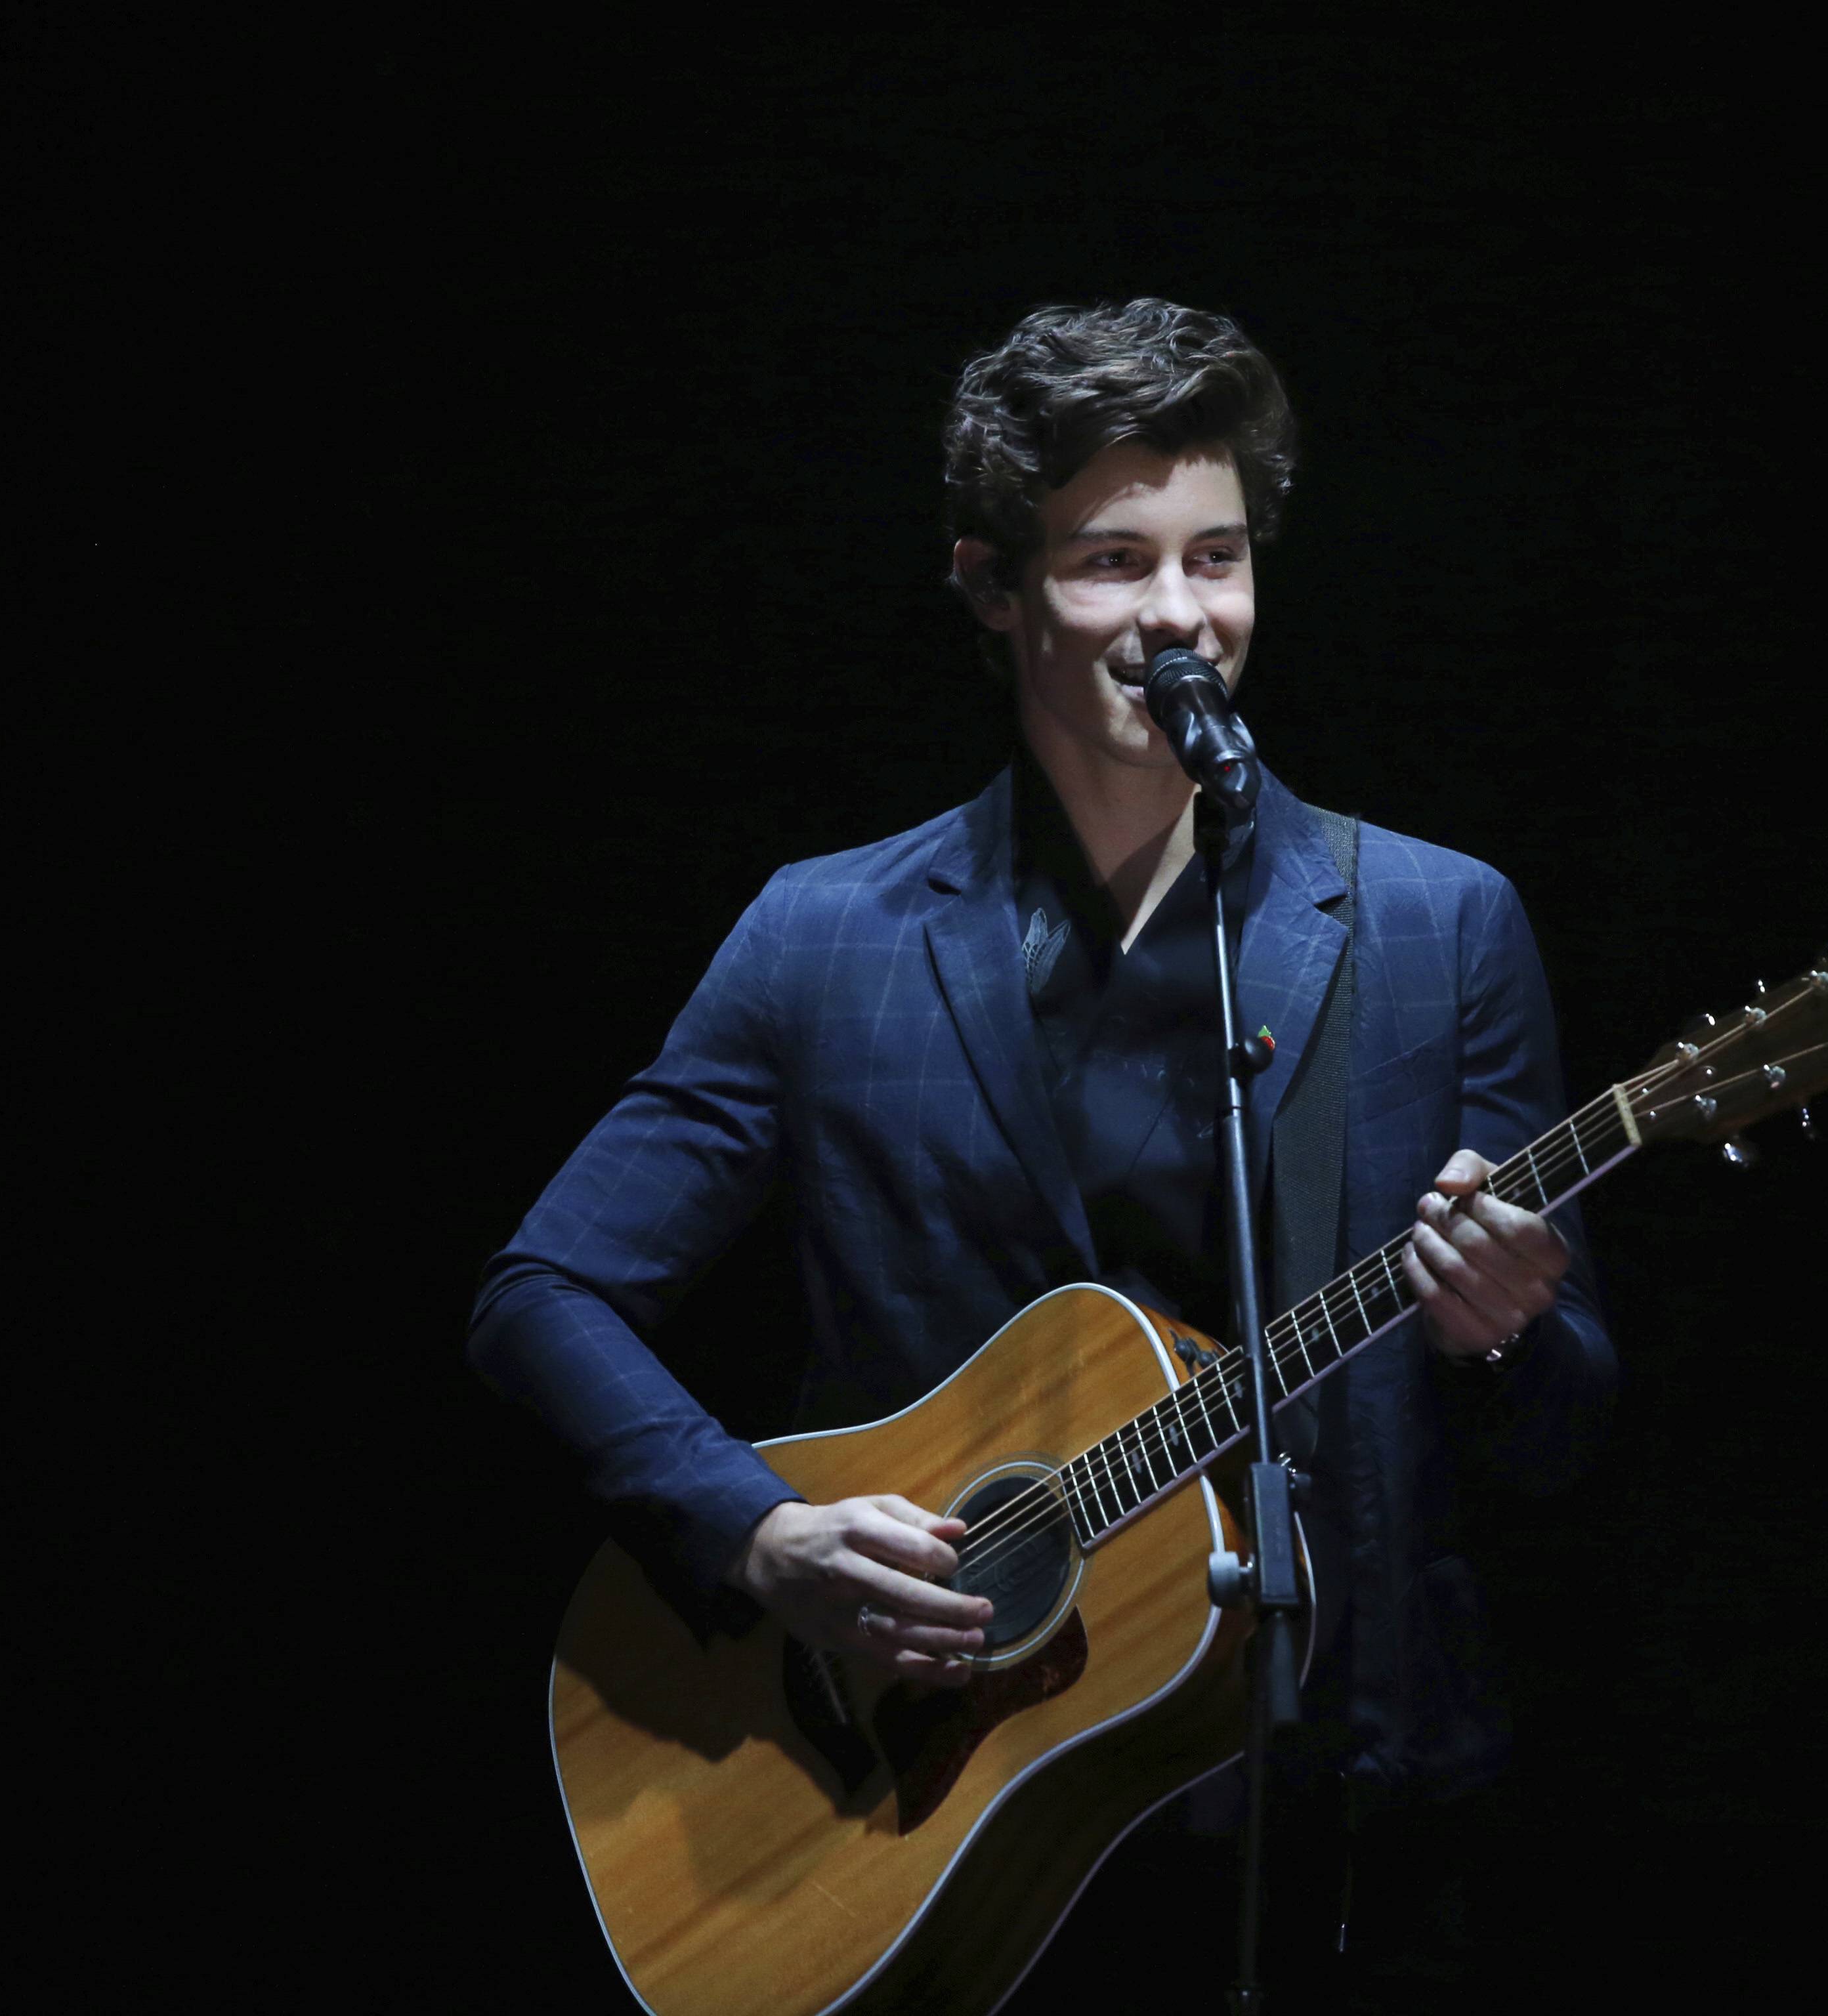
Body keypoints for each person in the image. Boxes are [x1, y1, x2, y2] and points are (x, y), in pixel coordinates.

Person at [468, 297, 1615, 2007]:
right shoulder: (823, 940)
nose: (1181, 620)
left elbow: (1566, 1439)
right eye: (1111, 562)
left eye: (1215, 559)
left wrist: (1505, 1329)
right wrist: (764, 1540)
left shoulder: (1437, 929)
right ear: (991, 586)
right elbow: (542, 1291)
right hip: (938, 1810)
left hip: (1350, 1833)